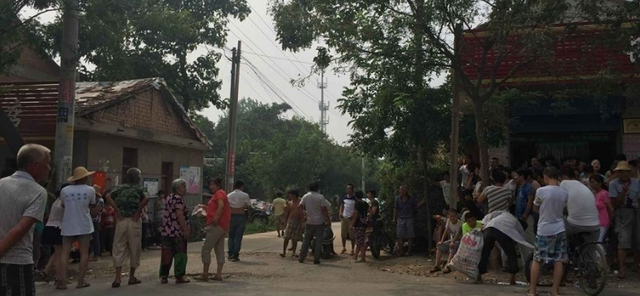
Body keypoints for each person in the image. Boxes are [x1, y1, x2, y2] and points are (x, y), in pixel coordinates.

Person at [0, 144, 50, 296]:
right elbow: (20, 229)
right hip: (17, 263)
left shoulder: (1, 183)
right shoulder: (38, 192)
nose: (49, 168)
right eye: (47, 163)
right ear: (35, 166)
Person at [104, 167, 150, 288]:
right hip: (134, 221)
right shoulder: (140, 188)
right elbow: (147, 198)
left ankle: (118, 278)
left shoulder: (120, 188)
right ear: (137, 178)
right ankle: (131, 277)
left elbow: (108, 196)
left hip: (121, 220)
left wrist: (116, 210)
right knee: (135, 248)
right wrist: (139, 211)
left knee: (119, 247)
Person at [529, 166, 569, 296]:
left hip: (545, 229)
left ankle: (532, 290)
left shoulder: (541, 191)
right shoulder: (564, 192)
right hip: (560, 228)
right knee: (558, 260)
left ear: (546, 177)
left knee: (537, 259)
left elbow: (535, 208)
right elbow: (564, 210)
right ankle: (555, 290)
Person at [58, 166, 97, 290]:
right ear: (85, 178)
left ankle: (63, 282)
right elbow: (91, 206)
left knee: (65, 253)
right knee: (84, 253)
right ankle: (81, 281)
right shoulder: (91, 190)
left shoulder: (65, 190)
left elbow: (63, 206)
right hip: (84, 225)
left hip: (68, 224)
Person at [478, 211, 534, 285]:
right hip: (502, 231)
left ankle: (478, 276)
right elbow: (523, 244)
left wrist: (484, 223)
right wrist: (526, 263)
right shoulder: (519, 226)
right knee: (511, 254)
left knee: (485, 252)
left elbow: (491, 214)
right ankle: (512, 279)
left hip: (489, 228)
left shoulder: (507, 214)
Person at [608, 161, 640, 279]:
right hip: (622, 211)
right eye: (621, 172)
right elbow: (615, 203)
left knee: (638, 239)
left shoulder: (637, 183)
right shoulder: (613, 184)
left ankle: (636, 265)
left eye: (626, 171)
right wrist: (624, 192)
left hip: (636, 211)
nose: (624, 174)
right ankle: (622, 267)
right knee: (624, 239)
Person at [159, 179, 191, 284]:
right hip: (177, 231)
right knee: (180, 254)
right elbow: (179, 215)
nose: (185, 190)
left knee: (167, 253)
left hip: (166, 231)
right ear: (178, 188)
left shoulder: (169, 197)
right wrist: (185, 229)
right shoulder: (179, 199)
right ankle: (179, 276)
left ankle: (164, 276)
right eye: (184, 187)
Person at [559, 165, 601, 244]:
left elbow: (560, 203)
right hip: (595, 225)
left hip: (576, 225)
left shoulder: (564, 183)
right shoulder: (582, 185)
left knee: (557, 223)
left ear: (563, 177)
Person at [199, 178, 230, 282]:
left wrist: (216, 218)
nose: (211, 186)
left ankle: (205, 273)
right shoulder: (219, 194)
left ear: (218, 185)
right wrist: (205, 208)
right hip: (223, 226)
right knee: (219, 249)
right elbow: (217, 207)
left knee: (206, 248)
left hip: (217, 225)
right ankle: (218, 274)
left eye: (213, 184)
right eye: (210, 184)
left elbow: (221, 206)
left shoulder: (219, 193)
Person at [298, 181, 331, 265]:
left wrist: (303, 217)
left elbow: (300, 207)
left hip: (309, 221)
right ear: (317, 188)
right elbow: (324, 210)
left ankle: (302, 257)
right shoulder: (320, 197)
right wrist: (328, 220)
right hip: (319, 222)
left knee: (306, 240)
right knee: (319, 241)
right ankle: (316, 259)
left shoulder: (305, 196)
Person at [42, 184, 69, 285]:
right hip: (57, 228)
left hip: (50, 227)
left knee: (58, 252)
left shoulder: (56, 201)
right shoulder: (63, 202)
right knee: (59, 254)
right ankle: (59, 277)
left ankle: (46, 271)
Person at [393, 185, 427, 257]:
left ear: (406, 191)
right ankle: (400, 251)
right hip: (401, 218)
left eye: (402, 190)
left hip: (409, 218)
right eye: (400, 190)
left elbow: (415, 206)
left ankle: (409, 251)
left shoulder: (411, 199)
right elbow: (395, 209)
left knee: (410, 236)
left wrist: (422, 202)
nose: (400, 191)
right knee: (400, 236)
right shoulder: (397, 199)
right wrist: (394, 218)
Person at [430, 208, 462, 274]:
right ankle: (437, 265)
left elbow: (457, 234)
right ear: (448, 216)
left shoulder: (460, 223)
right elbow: (446, 231)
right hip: (452, 240)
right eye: (451, 216)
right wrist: (441, 241)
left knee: (452, 247)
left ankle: (448, 266)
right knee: (439, 246)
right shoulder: (448, 221)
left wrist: (453, 242)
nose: (452, 218)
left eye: (454, 216)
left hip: (459, 240)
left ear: (457, 216)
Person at [227, 180, 251, 262]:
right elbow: (248, 206)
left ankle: (230, 253)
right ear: (241, 186)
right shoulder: (245, 195)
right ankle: (235, 254)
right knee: (238, 236)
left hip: (231, 216)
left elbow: (226, 207)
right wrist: (249, 215)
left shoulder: (229, 195)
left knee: (231, 236)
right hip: (241, 216)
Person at [589, 175, 614, 243]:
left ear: (600, 183)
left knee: (598, 241)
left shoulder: (604, 194)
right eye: (590, 182)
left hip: (603, 222)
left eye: (593, 182)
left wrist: (610, 222)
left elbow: (610, 209)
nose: (591, 184)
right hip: (594, 222)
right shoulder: (593, 194)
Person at [281, 189, 304, 257]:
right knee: (286, 237)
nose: (289, 196)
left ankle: (294, 252)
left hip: (298, 221)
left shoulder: (300, 202)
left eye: (290, 195)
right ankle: (284, 252)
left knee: (295, 238)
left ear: (294, 195)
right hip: (291, 221)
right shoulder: (289, 203)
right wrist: (285, 221)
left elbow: (303, 211)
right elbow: (287, 213)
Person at [514, 168, 535, 242]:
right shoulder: (519, 187)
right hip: (519, 215)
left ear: (521, 176)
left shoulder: (528, 187)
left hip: (526, 216)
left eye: (516, 175)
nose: (514, 177)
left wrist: (526, 213)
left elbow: (530, 201)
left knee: (529, 235)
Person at [351, 191, 369, 262]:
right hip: (364, 224)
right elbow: (370, 212)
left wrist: (352, 224)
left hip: (358, 224)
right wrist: (366, 218)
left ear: (355, 196)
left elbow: (355, 214)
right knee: (360, 240)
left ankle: (363, 257)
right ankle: (355, 256)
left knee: (360, 242)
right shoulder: (365, 204)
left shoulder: (357, 204)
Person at [339, 183, 357, 255]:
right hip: (344, 217)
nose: (348, 190)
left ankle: (352, 249)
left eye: (350, 188)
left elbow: (356, 208)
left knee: (352, 235)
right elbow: (341, 206)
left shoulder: (355, 198)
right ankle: (344, 247)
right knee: (343, 234)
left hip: (351, 218)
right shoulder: (344, 198)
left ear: (352, 190)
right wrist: (340, 212)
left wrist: (353, 215)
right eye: (347, 188)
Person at [90, 185, 104, 261]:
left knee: (95, 237)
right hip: (90, 221)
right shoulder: (93, 200)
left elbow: (95, 212)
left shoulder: (100, 201)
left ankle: (96, 254)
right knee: (91, 238)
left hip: (96, 221)